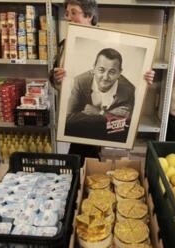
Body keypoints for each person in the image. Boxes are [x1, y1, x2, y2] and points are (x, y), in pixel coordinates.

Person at [50, 0, 155, 165]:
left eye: (74, 12)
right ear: (93, 68)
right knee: (81, 157)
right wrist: (57, 79)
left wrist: (145, 77)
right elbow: (68, 112)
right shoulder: (66, 45)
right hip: (82, 133)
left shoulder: (111, 41)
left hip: (111, 138)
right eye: (67, 13)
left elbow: (125, 122)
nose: (68, 17)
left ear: (89, 16)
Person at [65, 48, 135, 142]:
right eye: (101, 70)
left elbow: (126, 125)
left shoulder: (128, 90)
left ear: (119, 73)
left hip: (111, 139)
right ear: (93, 68)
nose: (105, 77)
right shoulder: (80, 82)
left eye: (112, 72)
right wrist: (111, 116)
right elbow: (68, 119)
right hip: (83, 136)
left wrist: (99, 112)